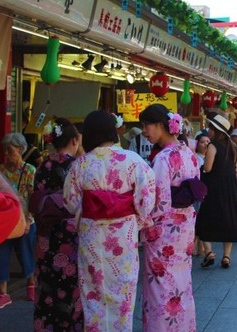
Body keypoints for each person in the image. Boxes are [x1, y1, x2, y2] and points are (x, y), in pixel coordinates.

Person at [64, 110, 156, 331]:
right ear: (113, 131)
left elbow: (70, 201)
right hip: (123, 237)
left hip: (92, 237)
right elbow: (146, 199)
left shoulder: (81, 164)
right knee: (123, 293)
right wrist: (139, 221)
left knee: (93, 292)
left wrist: (85, 215)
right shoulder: (133, 161)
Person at [139, 105, 199, 331]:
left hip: (164, 231)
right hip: (184, 227)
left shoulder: (164, 158)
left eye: (146, 125)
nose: (144, 131)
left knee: (160, 285)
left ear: (162, 125)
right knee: (181, 283)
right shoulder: (188, 153)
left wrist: (142, 222)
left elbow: (160, 201)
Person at [29, 118, 82, 330]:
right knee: (70, 282)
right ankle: (70, 325)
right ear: (73, 141)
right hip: (70, 231)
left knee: (47, 281)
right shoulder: (76, 166)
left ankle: (46, 324)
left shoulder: (42, 166)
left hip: (46, 232)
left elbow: (36, 197)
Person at [195, 113, 237, 269]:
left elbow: (208, 167)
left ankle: (209, 252)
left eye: (210, 127)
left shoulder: (213, 145)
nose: (208, 130)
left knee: (204, 218)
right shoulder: (233, 146)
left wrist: (202, 165)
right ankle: (226, 256)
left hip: (214, 186)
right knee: (229, 219)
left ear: (216, 130)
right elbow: (236, 167)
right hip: (230, 186)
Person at [0, 133, 37, 309]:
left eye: (10, 151)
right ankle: (3, 294)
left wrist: (27, 220)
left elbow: (33, 199)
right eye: (5, 152)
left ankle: (31, 285)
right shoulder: (0, 171)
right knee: (1, 256)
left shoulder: (29, 171)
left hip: (24, 221)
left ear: (20, 149)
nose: (7, 155)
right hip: (5, 223)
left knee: (26, 255)